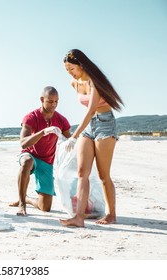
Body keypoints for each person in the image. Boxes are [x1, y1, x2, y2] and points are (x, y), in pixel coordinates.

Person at [59, 49, 124, 227]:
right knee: (82, 173)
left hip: (105, 124)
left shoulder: (94, 82)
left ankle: (111, 214)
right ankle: (79, 217)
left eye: (72, 68)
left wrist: (73, 135)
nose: (70, 73)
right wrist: (79, 133)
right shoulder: (75, 83)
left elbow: (90, 110)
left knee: (104, 175)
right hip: (89, 126)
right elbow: (87, 112)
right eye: (67, 70)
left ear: (81, 65)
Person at [9, 86, 71, 216]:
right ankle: (22, 204)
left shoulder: (61, 120)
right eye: (50, 101)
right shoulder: (31, 117)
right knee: (26, 162)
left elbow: (69, 141)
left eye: (56, 101)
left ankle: (27, 199)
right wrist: (42, 132)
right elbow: (23, 143)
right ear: (42, 99)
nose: (54, 104)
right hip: (30, 155)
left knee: (45, 207)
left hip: (47, 161)